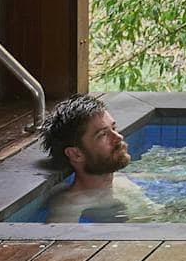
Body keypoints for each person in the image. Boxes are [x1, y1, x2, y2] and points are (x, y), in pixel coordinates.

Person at [40, 94, 153, 223]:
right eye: (103, 134)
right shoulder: (70, 206)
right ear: (76, 154)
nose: (118, 137)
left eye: (114, 128)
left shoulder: (121, 181)